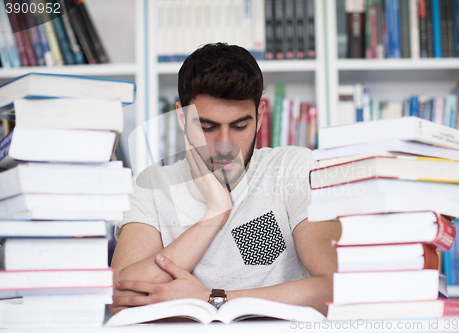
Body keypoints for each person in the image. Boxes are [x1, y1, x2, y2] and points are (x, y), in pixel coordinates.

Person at [110, 43, 340, 316]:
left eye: (240, 126)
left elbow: (336, 288)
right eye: (207, 127)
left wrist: (212, 298)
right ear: (182, 118)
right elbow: (122, 297)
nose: (225, 144)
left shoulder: (293, 169)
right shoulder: (152, 185)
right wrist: (215, 213)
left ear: (260, 115)